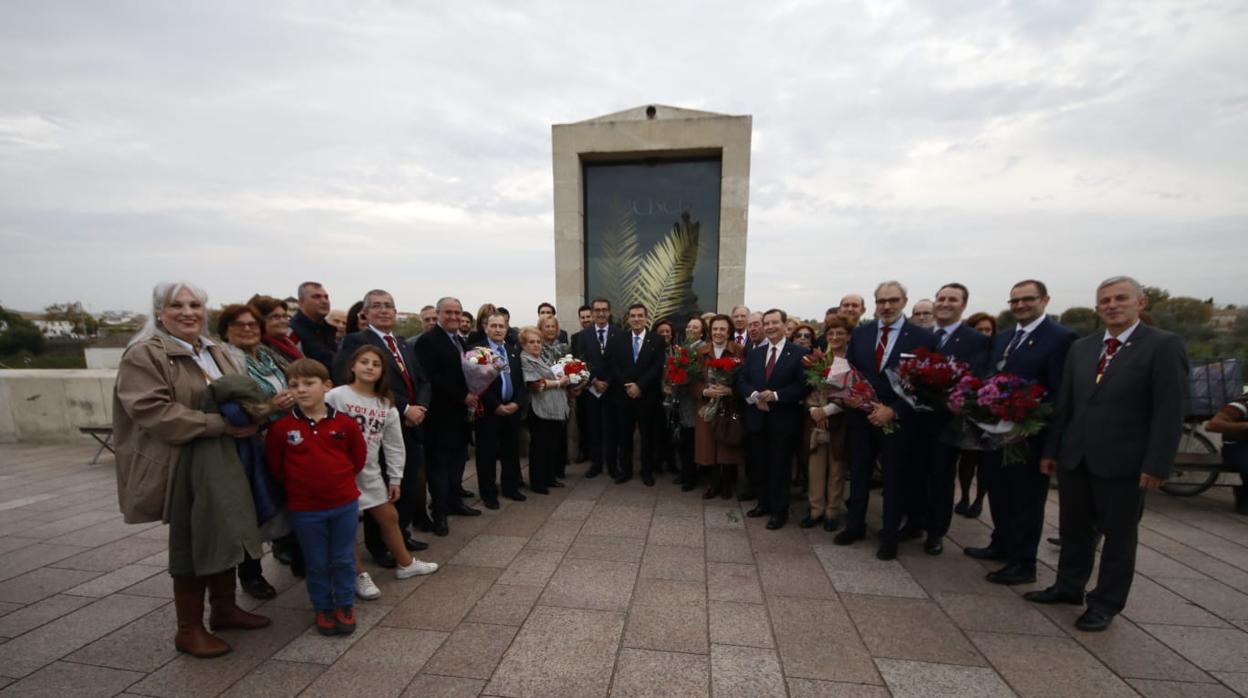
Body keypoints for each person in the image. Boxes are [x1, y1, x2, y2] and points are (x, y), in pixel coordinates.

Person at [114, 282, 270, 658]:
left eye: (195, 305)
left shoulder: (216, 351)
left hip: (228, 457)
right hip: (183, 460)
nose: (188, 312)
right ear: (159, 312)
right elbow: (153, 411)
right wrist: (220, 425)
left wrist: (260, 414)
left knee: (227, 531)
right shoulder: (145, 354)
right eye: (177, 305)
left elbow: (247, 392)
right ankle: (189, 628)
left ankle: (224, 608)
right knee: (191, 541)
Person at [1025, 276, 1189, 632]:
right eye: (1105, 301)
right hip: (1077, 457)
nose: (1112, 306)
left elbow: (1169, 410)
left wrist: (1158, 463)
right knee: (1074, 529)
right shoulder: (1083, 348)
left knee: (1118, 536)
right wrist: (1052, 450)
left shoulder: (1163, 346)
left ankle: (1105, 603)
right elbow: (1065, 404)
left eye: (1120, 299)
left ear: (1140, 303)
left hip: (1125, 461)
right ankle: (1068, 587)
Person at [964, 280, 1077, 586]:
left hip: (1030, 437)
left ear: (1045, 300)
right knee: (999, 492)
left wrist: (1045, 438)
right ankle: (1001, 544)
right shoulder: (1004, 338)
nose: (1020, 305)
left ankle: (1023, 562)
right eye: (1015, 301)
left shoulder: (1061, 338)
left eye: (1028, 299)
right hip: (996, 433)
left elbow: (1060, 393)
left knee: (1026, 501)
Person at [327, 346, 439, 601]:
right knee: (347, 527)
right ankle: (358, 574)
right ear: (352, 366)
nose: (369, 367)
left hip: (370, 471)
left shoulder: (385, 403)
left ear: (382, 371)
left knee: (388, 516)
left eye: (375, 364)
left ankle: (406, 564)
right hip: (340, 473)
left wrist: (396, 477)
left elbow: (394, 444)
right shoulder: (336, 397)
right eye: (363, 362)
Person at [835, 281, 937, 559]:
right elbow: (851, 374)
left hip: (897, 421)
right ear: (875, 304)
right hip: (861, 418)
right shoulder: (862, 334)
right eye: (882, 301)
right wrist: (857, 400)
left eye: (893, 300)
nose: (887, 306)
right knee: (858, 475)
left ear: (904, 301)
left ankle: (889, 535)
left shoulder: (922, 338)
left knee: (894, 480)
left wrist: (893, 410)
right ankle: (855, 525)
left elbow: (926, 385)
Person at [266, 359, 366, 636]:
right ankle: (322, 606)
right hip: (305, 508)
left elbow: (357, 458)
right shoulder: (282, 429)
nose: (301, 390)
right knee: (316, 560)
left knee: (343, 557)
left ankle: (345, 604)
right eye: (294, 385)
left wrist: (338, 481)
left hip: (343, 503)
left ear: (326, 386)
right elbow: (276, 467)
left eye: (309, 383)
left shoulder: (344, 424)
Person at [334, 290, 433, 559]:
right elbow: (356, 383)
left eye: (389, 306)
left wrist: (420, 408)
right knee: (380, 490)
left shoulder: (402, 344)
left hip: (412, 425)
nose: (384, 310)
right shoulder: (356, 342)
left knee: (406, 484)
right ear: (365, 313)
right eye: (376, 306)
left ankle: (401, 535)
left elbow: (423, 380)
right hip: (379, 425)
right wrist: (404, 408)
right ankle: (380, 547)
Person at [217, 303, 297, 599]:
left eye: (252, 324)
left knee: (283, 499)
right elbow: (231, 404)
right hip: (249, 443)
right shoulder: (226, 359)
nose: (248, 329)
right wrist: (269, 408)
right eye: (239, 325)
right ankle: (251, 574)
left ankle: (290, 549)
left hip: (283, 437)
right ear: (225, 331)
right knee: (252, 510)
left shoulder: (266, 354)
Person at [917, 283, 991, 555]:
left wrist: (952, 396)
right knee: (915, 474)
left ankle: (936, 531)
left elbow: (976, 378)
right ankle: (915, 521)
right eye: (941, 298)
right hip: (916, 419)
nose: (945, 303)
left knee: (941, 477)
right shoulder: (922, 335)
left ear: (963, 305)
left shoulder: (976, 340)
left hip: (947, 421)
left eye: (952, 299)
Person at [738, 309, 811, 530]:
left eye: (774, 323)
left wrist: (776, 396)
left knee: (780, 467)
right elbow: (742, 380)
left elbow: (803, 386)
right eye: (766, 323)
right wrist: (753, 396)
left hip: (783, 421)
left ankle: (780, 511)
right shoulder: (755, 353)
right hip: (757, 418)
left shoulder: (798, 353)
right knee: (760, 464)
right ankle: (763, 503)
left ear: (784, 324)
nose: (769, 327)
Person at [415, 297, 481, 537]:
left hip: (460, 416)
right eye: (449, 312)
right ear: (439, 314)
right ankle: (440, 513)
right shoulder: (428, 341)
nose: (454, 317)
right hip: (440, 416)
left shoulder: (461, 341)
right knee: (439, 467)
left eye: (458, 312)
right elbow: (432, 378)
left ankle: (455, 502)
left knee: (457, 462)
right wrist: (462, 396)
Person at [471, 312, 531, 505]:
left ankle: (510, 487)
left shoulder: (514, 352)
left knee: (511, 451)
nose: (498, 329)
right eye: (493, 326)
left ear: (507, 328)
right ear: (486, 327)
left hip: (511, 411)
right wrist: (495, 405)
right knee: (487, 454)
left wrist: (516, 403)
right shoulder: (478, 352)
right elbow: (477, 383)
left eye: (501, 326)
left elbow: (522, 383)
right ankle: (488, 494)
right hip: (489, 412)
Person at [606, 303, 666, 485]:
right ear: (628, 319)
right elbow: (614, 365)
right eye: (633, 316)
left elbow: (657, 367)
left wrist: (639, 386)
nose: (636, 319)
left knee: (647, 436)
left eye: (640, 315)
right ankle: (626, 470)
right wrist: (628, 385)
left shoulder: (657, 340)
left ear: (646, 318)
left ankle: (646, 472)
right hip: (624, 396)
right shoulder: (618, 339)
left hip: (647, 397)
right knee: (624, 436)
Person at [801, 316, 851, 531]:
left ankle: (832, 511)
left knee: (837, 469)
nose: (835, 337)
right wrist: (814, 410)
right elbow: (811, 389)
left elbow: (853, 392)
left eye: (839, 333)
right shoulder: (822, 360)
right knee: (816, 467)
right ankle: (816, 509)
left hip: (841, 422)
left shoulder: (853, 360)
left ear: (848, 336)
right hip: (817, 422)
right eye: (831, 333)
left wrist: (827, 411)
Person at [695, 314, 746, 499]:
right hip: (707, 406)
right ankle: (713, 483)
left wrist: (731, 390)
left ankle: (726, 484)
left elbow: (744, 378)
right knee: (709, 446)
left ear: (729, 331)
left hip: (729, 405)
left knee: (726, 445)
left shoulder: (739, 350)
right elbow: (694, 379)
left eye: (722, 329)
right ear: (710, 331)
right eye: (715, 329)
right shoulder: (702, 351)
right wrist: (704, 391)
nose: (718, 332)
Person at [572, 297, 622, 479]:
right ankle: (596, 464)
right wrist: (594, 381)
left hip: (612, 388)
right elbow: (580, 361)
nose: (601, 313)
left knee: (612, 428)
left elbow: (619, 362)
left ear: (609, 312)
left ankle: (612, 464)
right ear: (592, 313)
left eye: (604, 310)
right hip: (591, 390)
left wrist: (607, 381)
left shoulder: (619, 333)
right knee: (593, 427)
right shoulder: (583, 336)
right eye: (597, 310)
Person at [955, 311, 998, 519]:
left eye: (987, 330)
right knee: (967, 459)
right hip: (965, 410)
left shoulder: (997, 352)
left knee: (985, 463)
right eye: (978, 330)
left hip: (990, 414)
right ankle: (963, 496)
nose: (983, 334)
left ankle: (979, 499)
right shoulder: (966, 350)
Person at [522, 326, 575, 495]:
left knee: (551, 446)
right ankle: (538, 482)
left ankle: (549, 477)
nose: (536, 345)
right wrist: (560, 383)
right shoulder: (525, 359)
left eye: (538, 341)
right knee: (539, 448)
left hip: (554, 409)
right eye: (531, 342)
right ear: (524, 345)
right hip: (540, 410)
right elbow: (535, 385)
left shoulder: (542, 358)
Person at [674, 315, 707, 489]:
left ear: (702, 333)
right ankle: (685, 472)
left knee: (691, 441)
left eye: (695, 328)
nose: (690, 330)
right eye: (688, 327)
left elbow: (701, 376)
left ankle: (690, 477)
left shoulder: (702, 349)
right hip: (683, 400)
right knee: (684, 440)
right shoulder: (685, 348)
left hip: (694, 402)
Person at [1206, 393, 1248, 514]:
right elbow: (1212, 425)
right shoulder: (1242, 404)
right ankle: (1244, 496)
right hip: (1237, 446)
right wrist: (1245, 426)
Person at [290, 282, 337, 371]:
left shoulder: (330, 330)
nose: (324, 301)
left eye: (326, 297)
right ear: (301, 302)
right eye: (317, 297)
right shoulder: (293, 331)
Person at [249, 295, 303, 366]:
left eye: (285, 316)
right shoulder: (260, 351)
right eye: (276, 317)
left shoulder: (290, 344)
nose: (283, 321)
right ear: (261, 321)